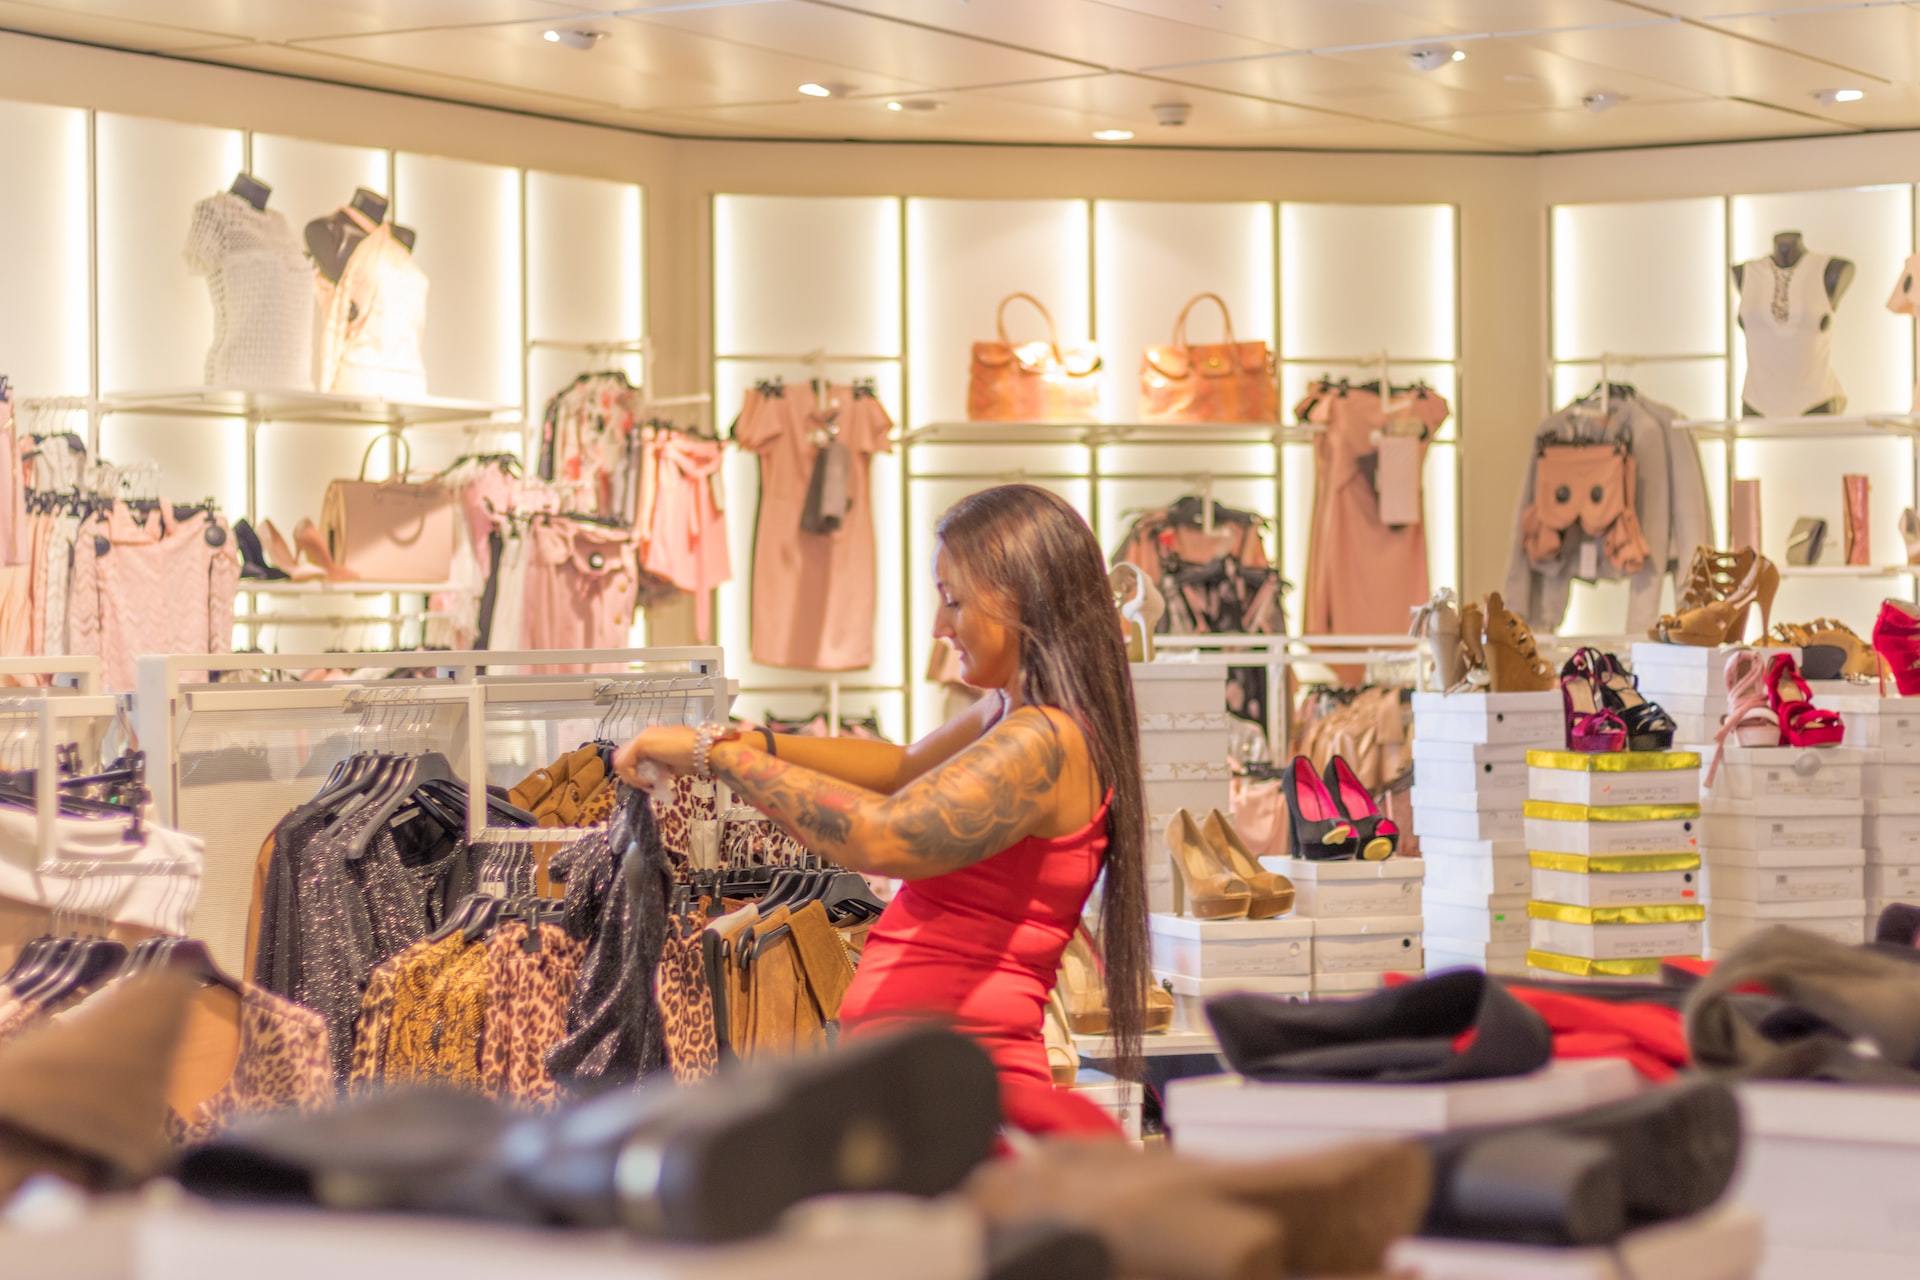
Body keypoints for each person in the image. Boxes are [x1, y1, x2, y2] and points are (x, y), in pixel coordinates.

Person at [613, 484, 1149, 1137]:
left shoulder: (1044, 741)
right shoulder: (1015, 713)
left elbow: (882, 836)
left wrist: (718, 758)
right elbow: (902, 767)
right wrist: (738, 740)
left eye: (954, 601)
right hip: (935, 1079)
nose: (938, 626)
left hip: (963, 1088)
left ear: (1027, 596)